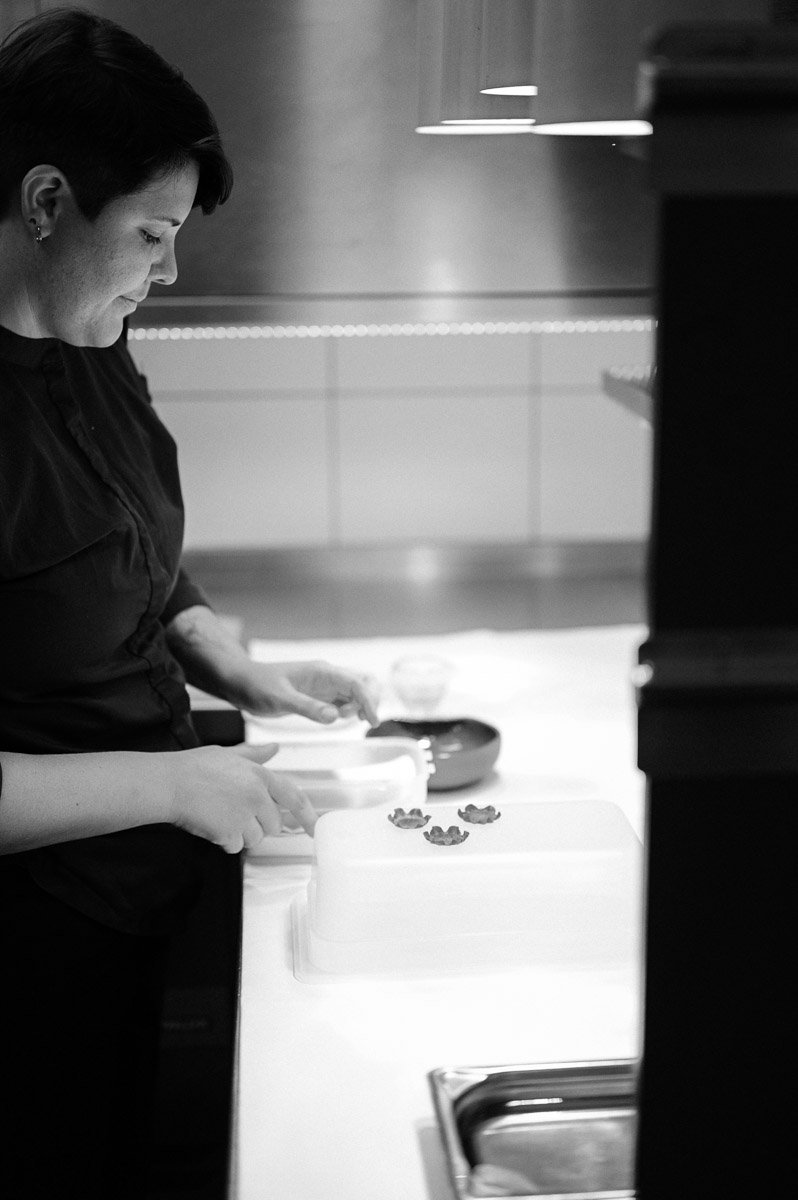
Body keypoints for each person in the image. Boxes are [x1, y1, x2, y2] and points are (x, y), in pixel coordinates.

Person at [0, 8, 378, 1197]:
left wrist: (223, 655)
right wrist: (175, 780)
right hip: (27, 945)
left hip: (126, 901)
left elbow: (114, 542)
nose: (169, 271)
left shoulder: (84, 331)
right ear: (48, 202)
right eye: (153, 234)